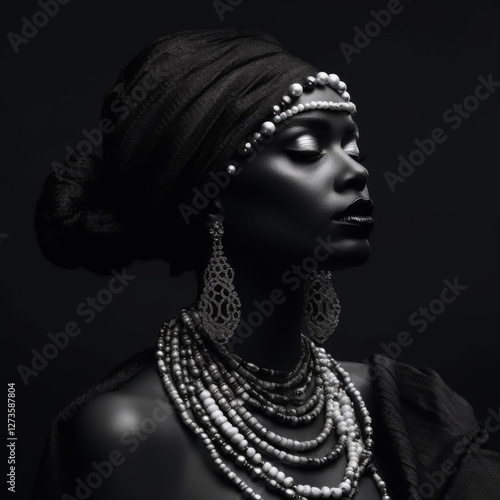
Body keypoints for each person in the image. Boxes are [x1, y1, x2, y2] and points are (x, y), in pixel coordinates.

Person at [32, 28, 500, 500]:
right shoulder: (127, 433)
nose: (356, 171)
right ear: (211, 195)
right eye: (307, 151)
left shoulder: (401, 407)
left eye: (353, 148)